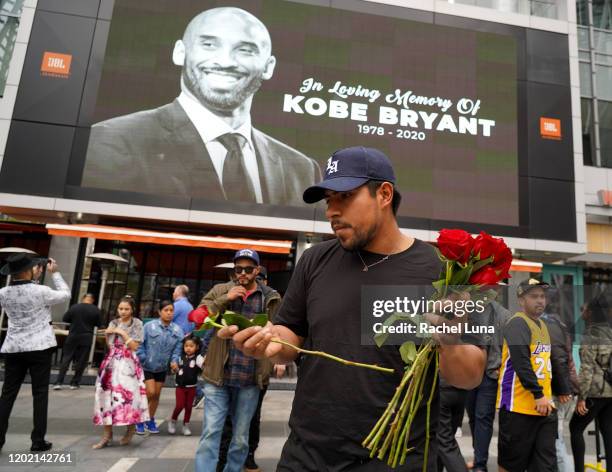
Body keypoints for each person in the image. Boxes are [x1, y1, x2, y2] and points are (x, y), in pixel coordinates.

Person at [219, 147, 486, 471]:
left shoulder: (440, 270)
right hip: (307, 453)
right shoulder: (314, 260)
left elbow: (471, 376)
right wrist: (270, 342)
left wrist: (448, 340)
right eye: (329, 200)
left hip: (398, 457)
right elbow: (290, 337)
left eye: (344, 197)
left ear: (384, 194)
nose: (332, 211)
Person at [82, 7, 321, 205]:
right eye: (209, 45)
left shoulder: (302, 170)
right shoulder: (112, 142)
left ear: (268, 67)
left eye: (245, 50)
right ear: (180, 53)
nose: (226, 61)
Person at [195, 248, 281, 472]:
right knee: (211, 433)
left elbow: (279, 330)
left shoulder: (269, 296)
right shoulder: (220, 289)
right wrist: (227, 298)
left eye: (248, 269)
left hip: (250, 377)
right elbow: (200, 315)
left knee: (241, 437)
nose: (242, 273)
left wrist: (278, 357)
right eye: (238, 269)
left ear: (257, 270)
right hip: (218, 376)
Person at [0, 254, 70, 452]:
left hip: (13, 347)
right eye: (34, 267)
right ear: (27, 271)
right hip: (39, 347)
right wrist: (55, 273)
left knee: (7, 394)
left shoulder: (3, 292)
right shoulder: (41, 291)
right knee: (39, 394)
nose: (38, 269)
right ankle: (37, 440)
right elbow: (66, 294)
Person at [496, 279, 559, 472]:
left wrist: (561, 389)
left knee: (545, 465)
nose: (540, 300)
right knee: (511, 464)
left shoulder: (542, 325)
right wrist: (538, 394)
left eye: (542, 296)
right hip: (518, 408)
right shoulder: (517, 324)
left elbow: (550, 361)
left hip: (544, 408)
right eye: (534, 296)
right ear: (521, 300)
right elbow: (521, 362)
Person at [92, 296, 148, 449]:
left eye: (126, 309)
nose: (123, 312)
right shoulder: (113, 322)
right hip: (111, 362)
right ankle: (106, 435)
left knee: (129, 397)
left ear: (132, 309)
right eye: (120, 308)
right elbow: (110, 345)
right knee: (105, 396)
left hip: (129, 362)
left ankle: (130, 428)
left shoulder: (137, 323)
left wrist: (121, 332)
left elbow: (135, 346)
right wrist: (108, 334)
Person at [465, 298, 511, 472]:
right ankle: (479, 456)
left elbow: (507, 347)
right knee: (474, 418)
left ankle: (480, 465)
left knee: (483, 418)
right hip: (470, 372)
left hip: (490, 374)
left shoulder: (503, 314)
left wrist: (501, 369)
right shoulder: (469, 309)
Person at [569, 293, 612, 472]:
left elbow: (586, 370)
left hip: (595, 392)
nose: (583, 313)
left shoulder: (590, 334)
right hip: (611, 392)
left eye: (585, 310)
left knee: (575, 427)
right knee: (608, 432)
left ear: (592, 313)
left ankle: (579, 470)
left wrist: (581, 398)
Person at [135, 300, 183, 435]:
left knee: (156, 395)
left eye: (171, 311)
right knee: (149, 392)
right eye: (166, 310)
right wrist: (143, 358)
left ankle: (149, 419)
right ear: (159, 312)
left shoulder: (177, 331)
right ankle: (139, 419)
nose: (169, 313)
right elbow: (140, 344)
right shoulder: (149, 326)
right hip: (147, 365)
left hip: (162, 368)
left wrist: (174, 362)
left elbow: (177, 351)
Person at [541, 310, 577, 472]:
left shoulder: (550, 327)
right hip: (560, 390)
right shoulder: (559, 327)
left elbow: (558, 358)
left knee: (556, 441)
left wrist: (563, 389)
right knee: (553, 441)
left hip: (557, 393)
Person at [54, 293, 102, 390]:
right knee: (81, 361)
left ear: (83, 298)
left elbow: (65, 319)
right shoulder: (96, 310)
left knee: (66, 359)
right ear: (92, 300)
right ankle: (74, 383)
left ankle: (59, 382)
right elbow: (99, 324)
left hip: (73, 335)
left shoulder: (74, 307)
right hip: (86, 337)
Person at [169, 334, 205, 436]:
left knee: (189, 407)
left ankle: (186, 425)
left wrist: (205, 362)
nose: (188, 348)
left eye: (191, 346)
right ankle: (173, 420)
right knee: (179, 405)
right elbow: (174, 370)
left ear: (197, 347)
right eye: (186, 346)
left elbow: (204, 367)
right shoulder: (180, 357)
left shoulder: (198, 358)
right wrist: (174, 368)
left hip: (192, 387)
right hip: (180, 386)